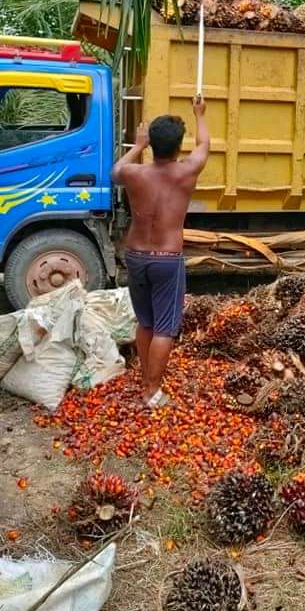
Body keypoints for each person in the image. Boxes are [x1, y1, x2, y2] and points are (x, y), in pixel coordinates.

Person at [112, 99, 210, 408]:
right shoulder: (186, 172)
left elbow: (115, 170)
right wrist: (199, 114)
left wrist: (137, 146)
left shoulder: (135, 173)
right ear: (179, 146)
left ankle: (147, 380)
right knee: (165, 328)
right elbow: (205, 143)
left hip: (136, 255)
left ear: (151, 144)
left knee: (146, 323)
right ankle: (152, 392)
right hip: (166, 259)